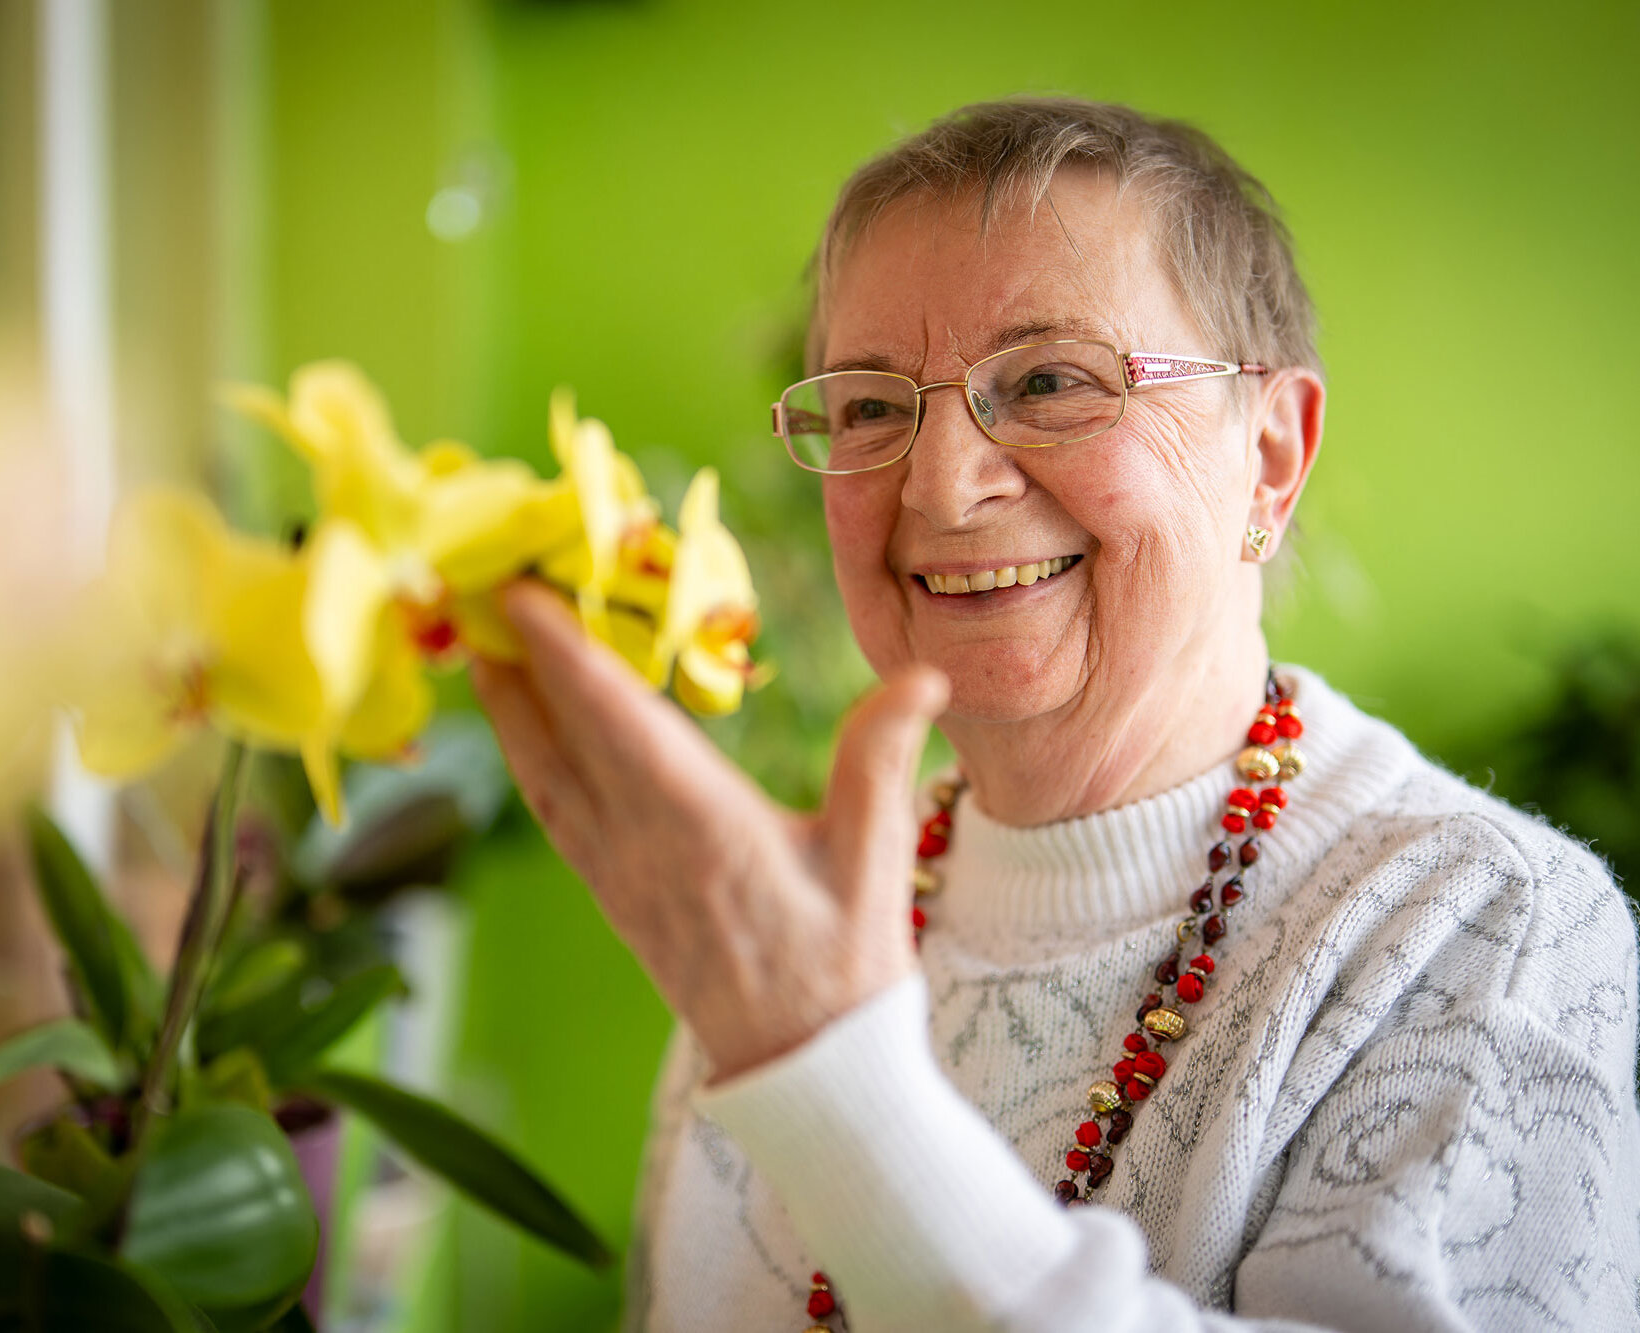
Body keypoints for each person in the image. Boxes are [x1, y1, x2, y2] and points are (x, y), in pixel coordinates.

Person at [469, 97, 1640, 1331]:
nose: (940, 484)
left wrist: (833, 1074)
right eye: (869, 406)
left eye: (1048, 381)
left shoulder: (1488, 927)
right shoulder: (800, 909)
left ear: (1272, 454)